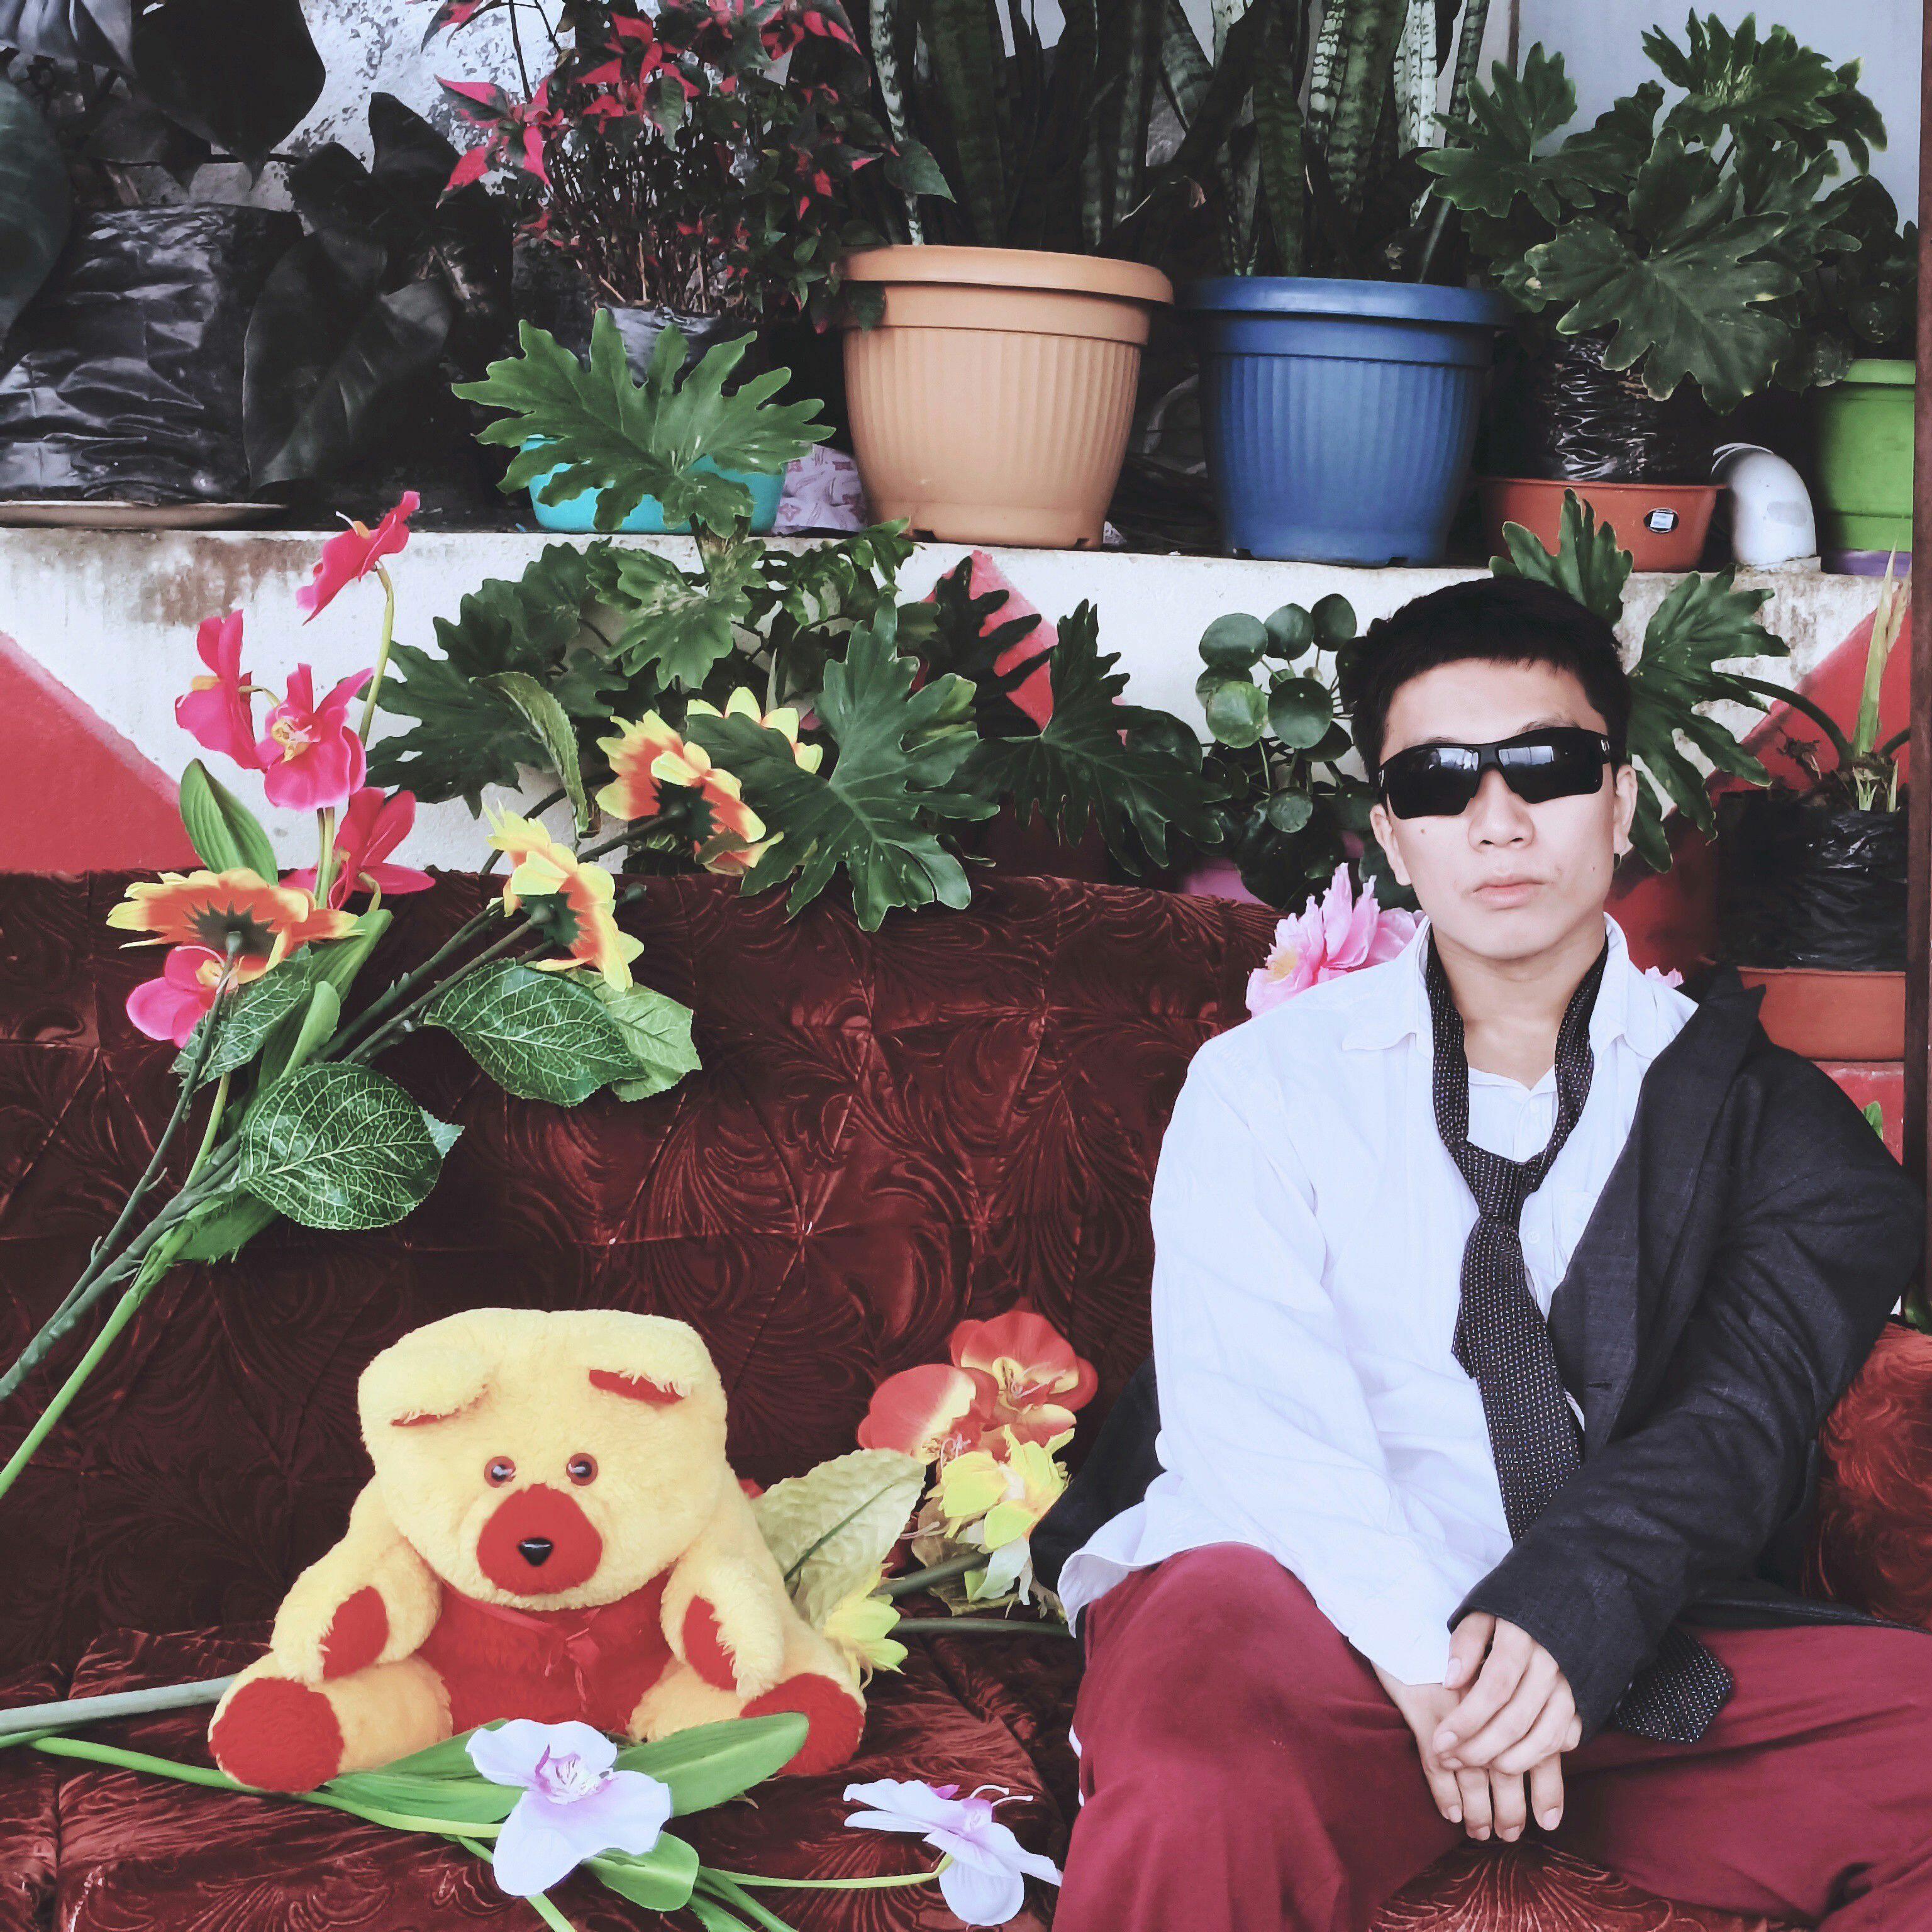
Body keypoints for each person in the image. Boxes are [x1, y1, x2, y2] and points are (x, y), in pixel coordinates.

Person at [1035, 577, 1932, 1932]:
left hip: (1609, 1642)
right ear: (1396, 835)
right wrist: (1429, 1663)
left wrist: (1568, 1624)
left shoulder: (1753, 1116)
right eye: (1442, 783)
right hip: (1295, 1601)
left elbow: (1737, 1425)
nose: (1499, 822)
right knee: (1202, 1787)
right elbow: (1254, 1424)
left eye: (1549, 768)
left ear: (1620, 802)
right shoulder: (1266, 1083)